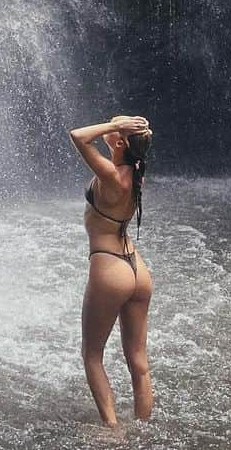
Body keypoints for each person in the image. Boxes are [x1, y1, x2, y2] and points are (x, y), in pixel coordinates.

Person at [68, 114, 154, 426]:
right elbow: (134, 147)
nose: (110, 123)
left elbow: (78, 135)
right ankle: (145, 432)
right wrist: (129, 130)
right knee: (138, 361)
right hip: (136, 269)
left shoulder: (111, 175)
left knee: (91, 356)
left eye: (115, 126)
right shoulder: (137, 171)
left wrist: (114, 127)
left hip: (110, 268)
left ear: (119, 141)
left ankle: (113, 432)